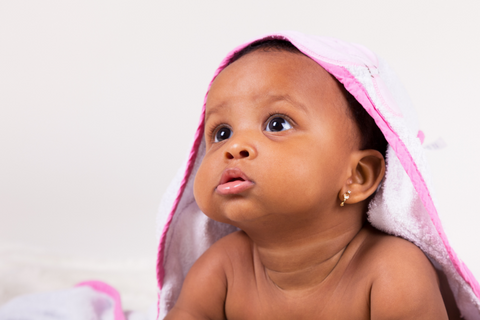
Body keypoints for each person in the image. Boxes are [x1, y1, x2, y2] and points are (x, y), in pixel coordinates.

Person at [157, 32, 480, 319]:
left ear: (357, 176)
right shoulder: (221, 269)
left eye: (277, 124)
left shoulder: (391, 271)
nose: (235, 146)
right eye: (222, 132)